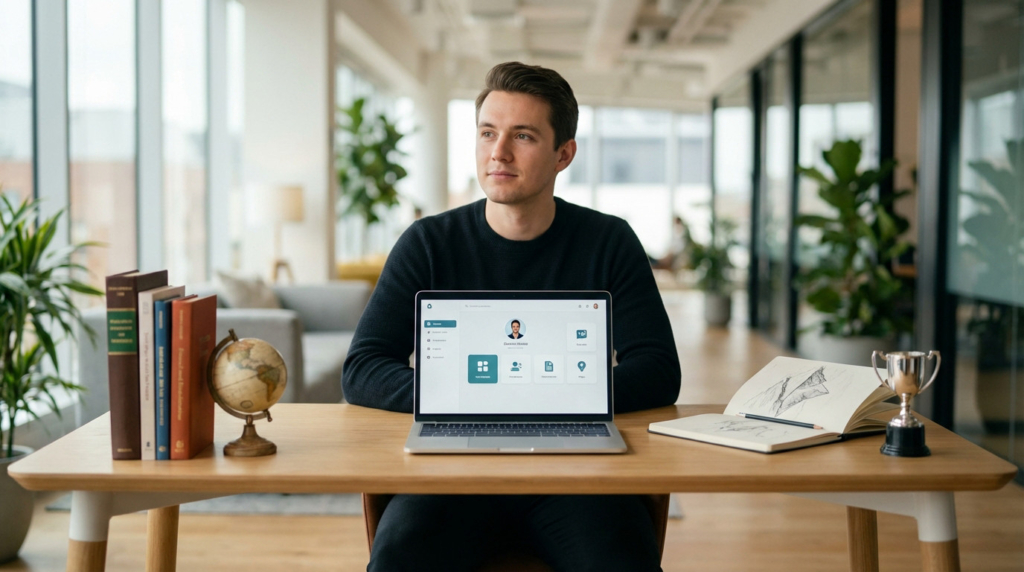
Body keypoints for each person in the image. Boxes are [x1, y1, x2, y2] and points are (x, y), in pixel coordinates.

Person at [342, 61, 681, 572]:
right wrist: (465, 399)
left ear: (563, 153)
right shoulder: (428, 243)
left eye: (522, 135)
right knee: (396, 559)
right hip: (450, 478)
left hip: (576, 482)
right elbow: (363, 367)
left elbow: (658, 369)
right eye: (487, 133)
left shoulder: (609, 241)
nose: (497, 152)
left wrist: (547, 397)